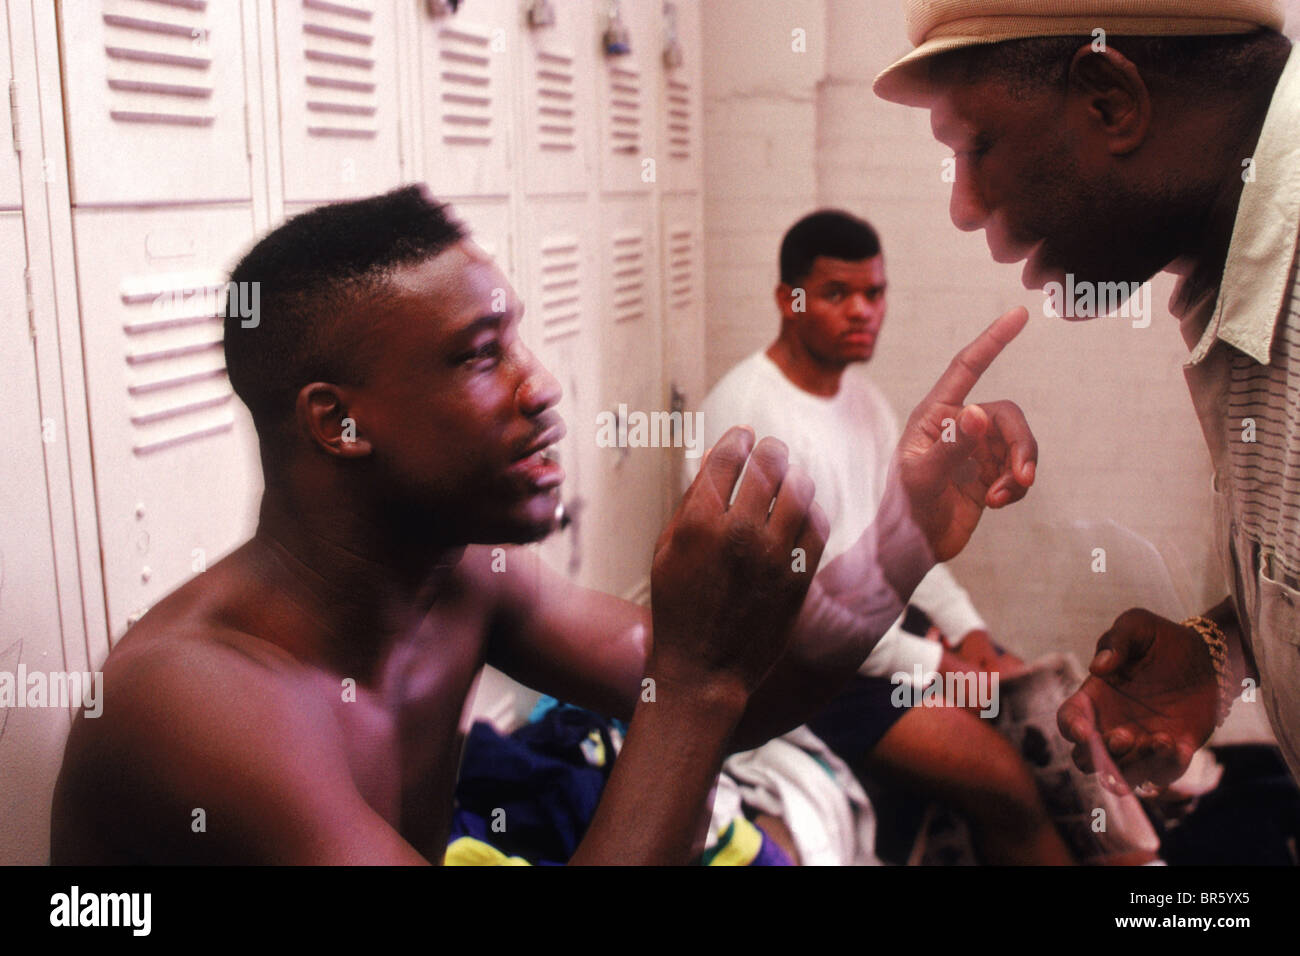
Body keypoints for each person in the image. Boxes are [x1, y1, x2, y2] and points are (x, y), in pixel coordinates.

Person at [50, 184, 1038, 864]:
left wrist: (896, 546)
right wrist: (690, 679)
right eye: (483, 354)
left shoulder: (469, 574)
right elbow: (692, 689)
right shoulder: (199, 702)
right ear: (335, 421)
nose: (544, 385)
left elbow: (738, 694)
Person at [872, 0, 1300, 794]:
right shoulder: (1239, 278)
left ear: (1111, 100)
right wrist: (1222, 650)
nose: (963, 208)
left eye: (976, 144)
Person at [691, 209, 1073, 865]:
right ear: (791, 300)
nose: (863, 311)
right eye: (838, 294)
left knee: (1052, 718)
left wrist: (966, 628)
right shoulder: (749, 413)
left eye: (874, 293)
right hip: (797, 672)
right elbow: (796, 618)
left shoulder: (864, 402)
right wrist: (934, 664)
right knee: (1009, 786)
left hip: (879, 638)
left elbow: (905, 541)